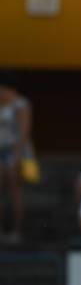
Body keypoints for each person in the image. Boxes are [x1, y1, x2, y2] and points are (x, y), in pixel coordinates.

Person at [0, 76, 31, 243]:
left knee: (14, 191)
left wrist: (18, 157)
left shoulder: (20, 104)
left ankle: (16, 230)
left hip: (14, 151)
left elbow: (23, 132)